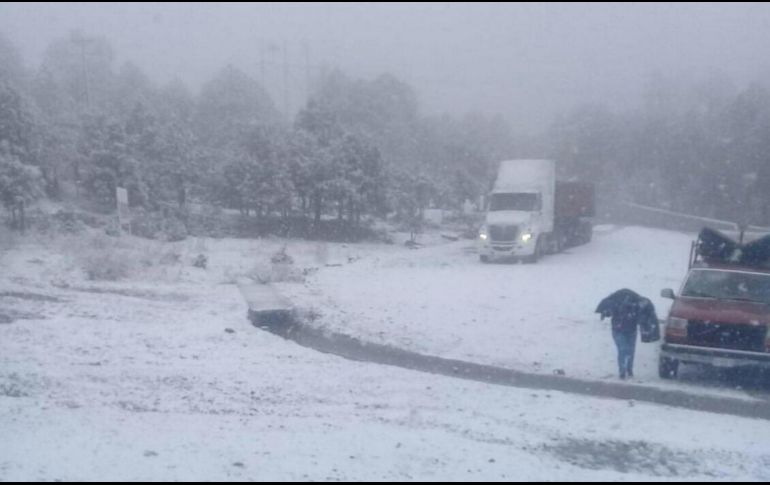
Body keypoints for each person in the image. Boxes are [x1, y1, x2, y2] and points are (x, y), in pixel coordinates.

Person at [596, 289, 659, 380]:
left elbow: (608, 311)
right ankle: (625, 370)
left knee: (624, 350)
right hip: (626, 330)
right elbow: (645, 314)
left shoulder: (615, 302)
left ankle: (625, 370)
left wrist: (606, 312)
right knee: (627, 350)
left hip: (620, 329)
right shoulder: (637, 303)